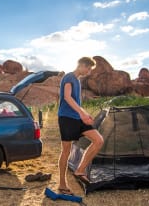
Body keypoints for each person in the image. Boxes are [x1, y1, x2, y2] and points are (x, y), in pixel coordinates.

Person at [57, 57, 104, 195]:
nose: (89, 72)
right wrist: (82, 113)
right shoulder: (69, 77)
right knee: (66, 151)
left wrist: (84, 114)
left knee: (98, 140)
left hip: (78, 118)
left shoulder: (77, 81)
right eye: (88, 68)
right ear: (82, 65)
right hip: (66, 118)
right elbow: (67, 97)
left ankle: (80, 170)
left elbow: (76, 102)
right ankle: (62, 183)